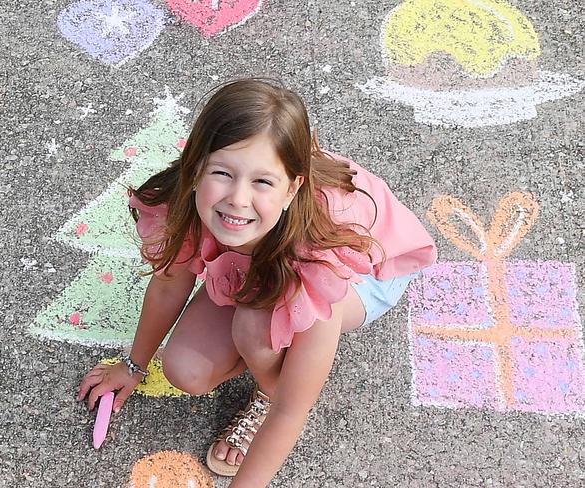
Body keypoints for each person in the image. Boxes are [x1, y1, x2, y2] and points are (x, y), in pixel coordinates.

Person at [77, 78, 437, 486]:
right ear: (196, 169)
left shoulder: (316, 262)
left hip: (364, 274)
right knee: (186, 369)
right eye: (222, 173)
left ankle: (265, 388)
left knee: (255, 327)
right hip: (264, 252)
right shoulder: (189, 203)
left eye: (262, 181)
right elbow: (168, 284)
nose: (238, 199)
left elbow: (291, 412)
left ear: (292, 188)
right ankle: (260, 318)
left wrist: (278, 399)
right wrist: (133, 365)